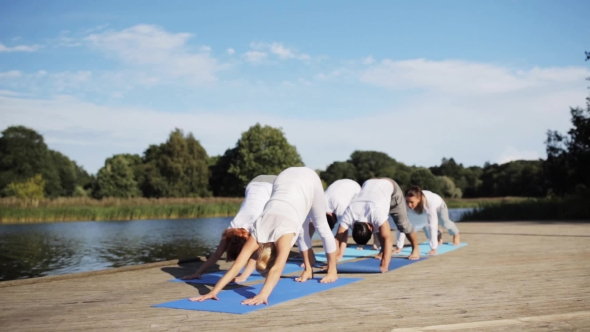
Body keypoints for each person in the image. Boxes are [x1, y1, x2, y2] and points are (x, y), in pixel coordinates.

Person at [190, 167, 339, 306]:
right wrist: (213, 292)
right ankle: (308, 270)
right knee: (302, 228)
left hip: (306, 179)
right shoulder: (258, 230)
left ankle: (332, 271)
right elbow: (236, 267)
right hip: (283, 178)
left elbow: (277, 268)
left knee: (320, 224)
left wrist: (263, 294)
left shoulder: (282, 235)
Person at [181, 175, 276, 283]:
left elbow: (254, 255)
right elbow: (216, 255)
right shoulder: (230, 231)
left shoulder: (253, 228)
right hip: (254, 183)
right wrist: (197, 273)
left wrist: (243, 276)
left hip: (270, 184)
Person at [336, 178, 420, 273]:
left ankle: (416, 248)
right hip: (370, 184)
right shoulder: (349, 214)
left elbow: (388, 238)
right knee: (380, 227)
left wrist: (384, 265)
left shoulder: (376, 213)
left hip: (391, 189)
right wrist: (332, 265)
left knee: (403, 225)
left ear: (371, 228)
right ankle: (382, 251)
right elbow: (337, 238)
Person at [301, 179, 361, 264]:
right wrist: (304, 251)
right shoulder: (317, 207)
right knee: (311, 226)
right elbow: (309, 229)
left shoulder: (341, 208)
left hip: (355, 188)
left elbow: (343, 231)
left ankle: (375, 241)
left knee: (357, 221)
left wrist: (340, 254)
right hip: (338, 185)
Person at [395, 185, 461, 255]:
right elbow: (402, 225)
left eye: (411, 202)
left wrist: (433, 248)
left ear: (419, 199)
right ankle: (438, 233)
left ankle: (455, 233)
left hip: (439, 205)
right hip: (422, 207)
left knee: (444, 223)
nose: (409, 204)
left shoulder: (429, 203)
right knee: (426, 231)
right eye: (407, 201)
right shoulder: (404, 203)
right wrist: (399, 247)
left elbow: (432, 225)